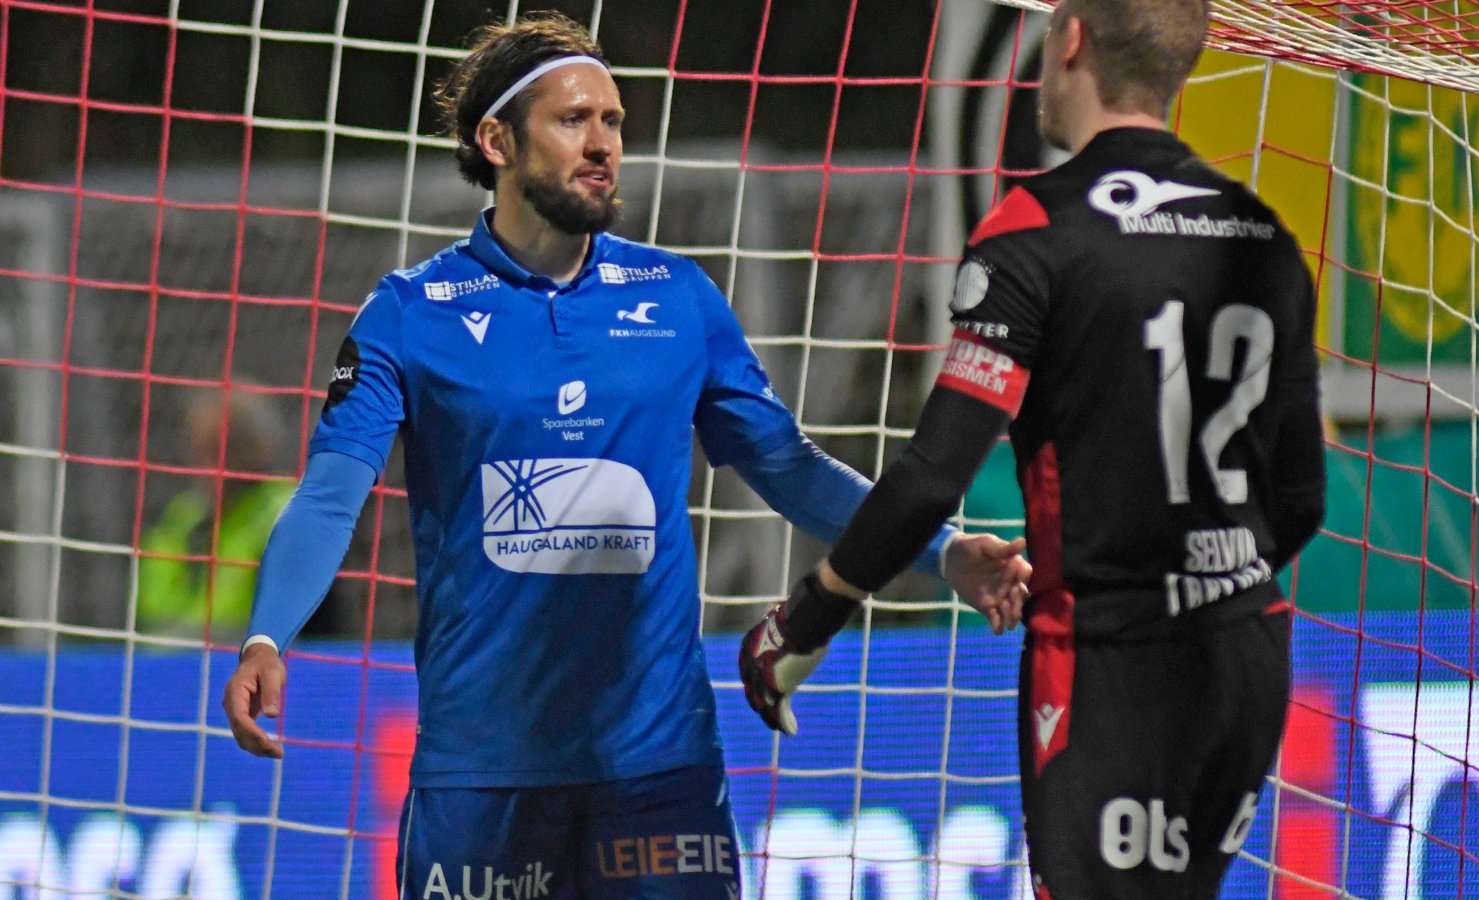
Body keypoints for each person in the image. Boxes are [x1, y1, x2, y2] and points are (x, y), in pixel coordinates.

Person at [219, 11, 1030, 900]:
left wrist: (941, 550)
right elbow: (331, 495)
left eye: (612, 120)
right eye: (573, 120)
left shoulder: (677, 297)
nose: (603, 143)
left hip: (659, 767)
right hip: (481, 776)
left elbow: (789, 467)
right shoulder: (411, 313)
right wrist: (268, 634)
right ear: (496, 141)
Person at [739, 0, 1327, 897]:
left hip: (1111, 662)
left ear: (1072, 39)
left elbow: (933, 475)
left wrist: (806, 620)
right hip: (1245, 653)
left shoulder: (1034, 229)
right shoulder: (1264, 236)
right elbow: (1302, 500)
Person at [138, 387, 294, 643]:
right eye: (198, 449)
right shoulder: (184, 517)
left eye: (222, 448)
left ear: (259, 448)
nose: (207, 464)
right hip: (169, 658)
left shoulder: (287, 514)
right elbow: (151, 609)